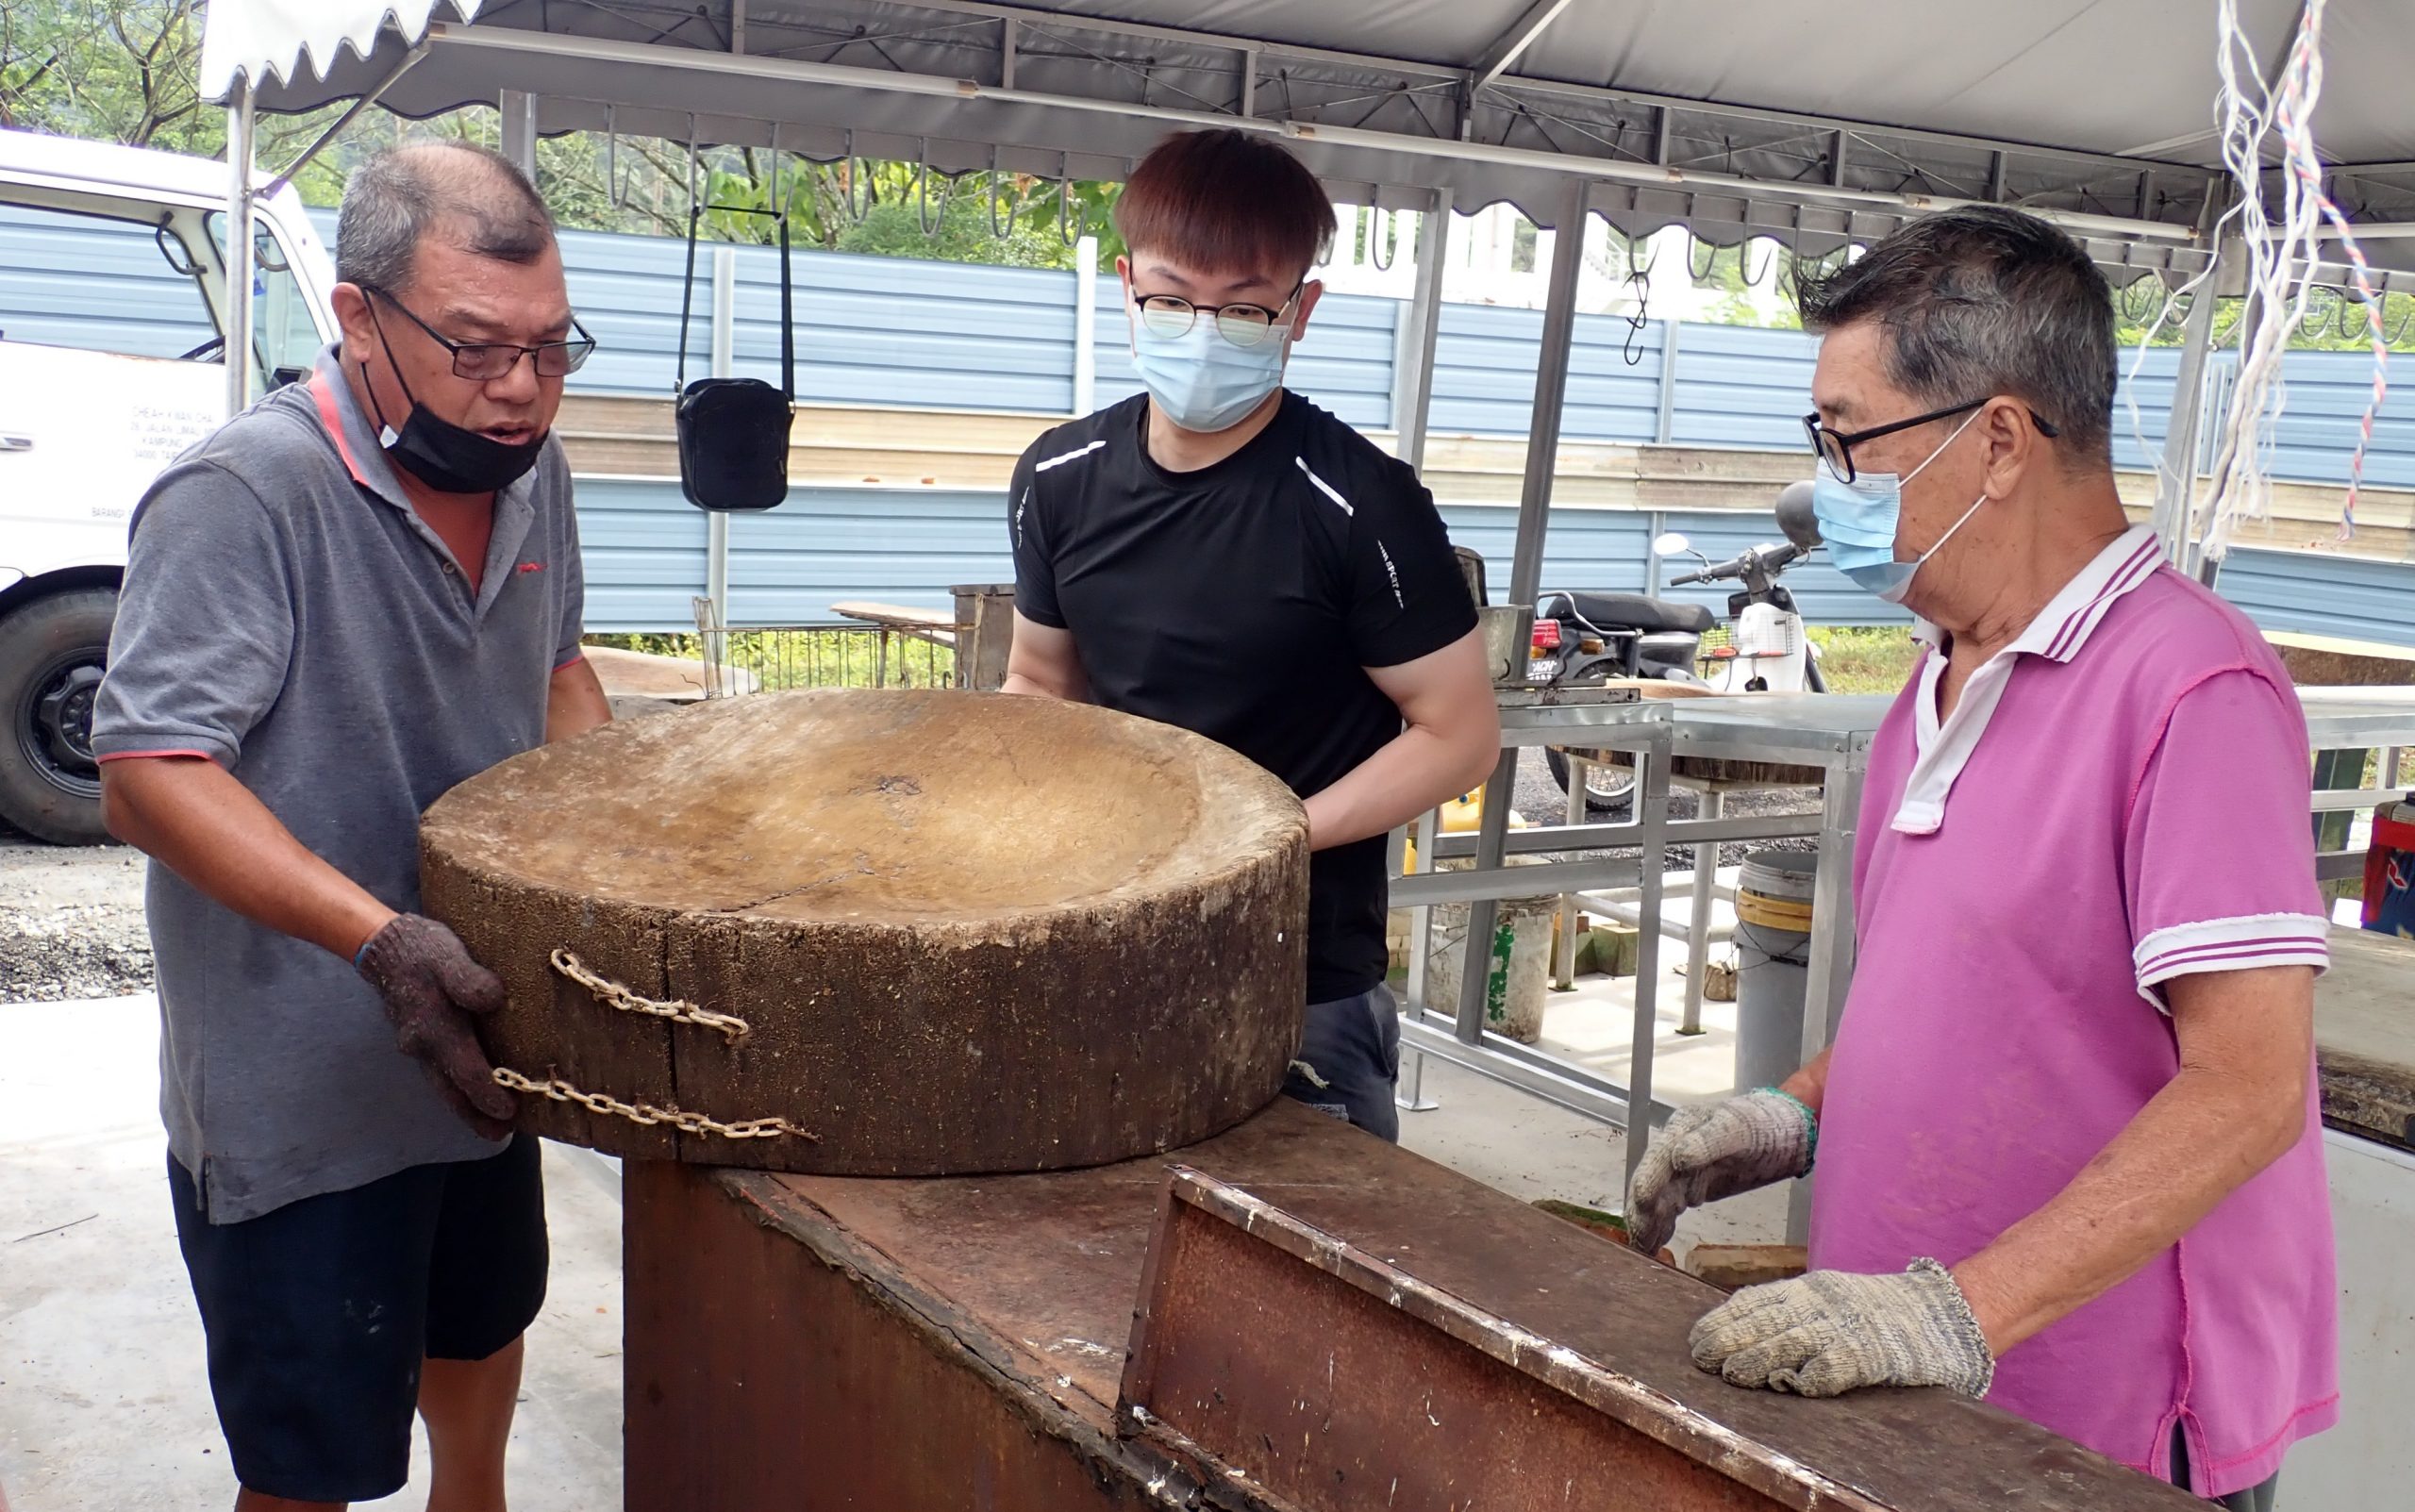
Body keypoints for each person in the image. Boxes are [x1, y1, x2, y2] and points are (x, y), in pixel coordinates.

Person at [1625, 208, 2333, 1511]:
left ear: (1998, 439)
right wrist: (1800, 1110)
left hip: (2101, 1407)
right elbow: (1968, 1001)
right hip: (1917, 1379)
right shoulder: (1941, 678)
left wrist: (1957, 1313)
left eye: (1848, 440)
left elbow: (2247, 1089)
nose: (1826, 480)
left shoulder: (2192, 688)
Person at [92, 141, 610, 1512]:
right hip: (301, 1083)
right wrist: (380, 941)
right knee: (311, 1456)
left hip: (479, 1044)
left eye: (553, 350)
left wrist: (625, 856)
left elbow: (558, 673)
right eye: (477, 348)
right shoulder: (244, 494)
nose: (517, 391)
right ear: (358, 315)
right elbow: (148, 771)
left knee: (482, 1325)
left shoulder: (530, 468)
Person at [1002, 129, 1499, 1138]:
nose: (1202, 328)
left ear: (1298, 311)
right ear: (1125, 285)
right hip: (1109, 933)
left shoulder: (1362, 502)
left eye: (1243, 307)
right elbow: (1038, 684)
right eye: (1174, 298)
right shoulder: (1057, 478)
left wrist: (1259, 842)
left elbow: (1458, 734)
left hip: (1299, 969)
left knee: (1314, 1262)